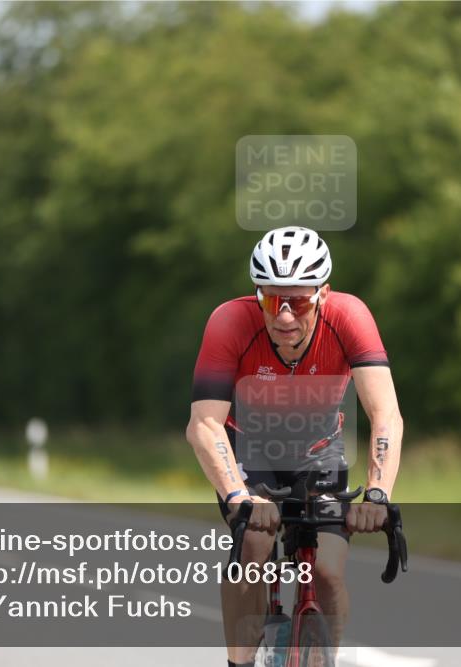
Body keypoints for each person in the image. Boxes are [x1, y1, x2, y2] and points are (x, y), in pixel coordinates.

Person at [186, 226, 404, 667]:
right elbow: (204, 425)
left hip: (318, 452)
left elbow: (385, 414)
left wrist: (378, 494)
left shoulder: (350, 317)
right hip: (249, 451)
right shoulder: (229, 321)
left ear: (323, 294)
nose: (285, 316)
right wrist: (238, 496)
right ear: (258, 295)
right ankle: (240, 663)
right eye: (271, 300)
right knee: (254, 544)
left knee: (326, 571)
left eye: (300, 302)